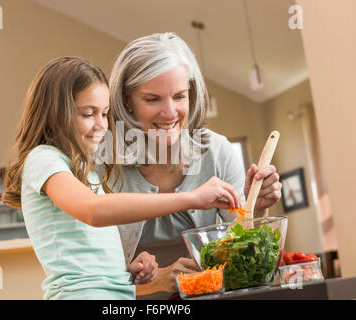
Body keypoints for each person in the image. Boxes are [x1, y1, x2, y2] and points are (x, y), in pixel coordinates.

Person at [1, 56, 242, 300]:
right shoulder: (43, 158)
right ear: (55, 114)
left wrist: (126, 272)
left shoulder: (85, 171)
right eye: (87, 114)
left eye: (104, 114)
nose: (101, 126)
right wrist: (191, 198)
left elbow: (91, 262)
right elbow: (94, 211)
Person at [107, 32, 283, 299]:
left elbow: (247, 259)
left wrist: (256, 207)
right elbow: (90, 280)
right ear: (126, 100)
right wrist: (156, 282)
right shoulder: (105, 166)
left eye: (179, 96)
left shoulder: (217, 152)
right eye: (152, 99)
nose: (170, 113)